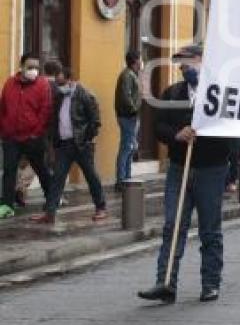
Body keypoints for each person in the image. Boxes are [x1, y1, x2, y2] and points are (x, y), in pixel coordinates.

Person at [138, 45, 240, 304]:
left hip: (211, 169)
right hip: (179, 168)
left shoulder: (219, 92)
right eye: (180, 65)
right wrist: (176, 134)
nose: (183, 69)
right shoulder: (173, 93)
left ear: (201, 61)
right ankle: (166, 283)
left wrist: (233, 170)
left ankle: (210, 284)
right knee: (173, 226)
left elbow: (234, 131)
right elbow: (158, 126)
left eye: (187, 63)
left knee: (210, 229)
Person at [31, 67, 106, 224]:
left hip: (82, 145)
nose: (59, 86)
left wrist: (86, 138)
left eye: (62, 82)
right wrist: (54, 141)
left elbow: (95, 120)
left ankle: (101, 207)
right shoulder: (59, 96)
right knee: (57, 178)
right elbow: (55, 119)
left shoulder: (84, 94)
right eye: (58, 83)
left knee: (91, 176)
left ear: (71, 80)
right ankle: (50, 212)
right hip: (64, 145)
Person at [0, 53, 53, 219]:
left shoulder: (43, 85)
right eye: (30, 67)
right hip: (11, 136)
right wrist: (4, 129)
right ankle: (7, 205)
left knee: (40, 168)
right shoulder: (10, 84)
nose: (34, 70)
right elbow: (3, 108)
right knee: (9, 170)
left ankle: (52, 197)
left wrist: (35, 133)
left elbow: (45, 111)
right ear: (21, 67)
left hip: (32, 137)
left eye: (36, 67)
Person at [114, 51, 142, 192]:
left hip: (130, 116)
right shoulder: (127, 75)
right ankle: (121, 180)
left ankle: (127, 177)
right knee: (126, 147)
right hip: (128, 117)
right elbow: (126, 96)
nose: (141, 62)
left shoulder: (130, 75)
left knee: (130, 148)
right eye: (140, 59)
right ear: (135, 60)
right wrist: (134, 110)